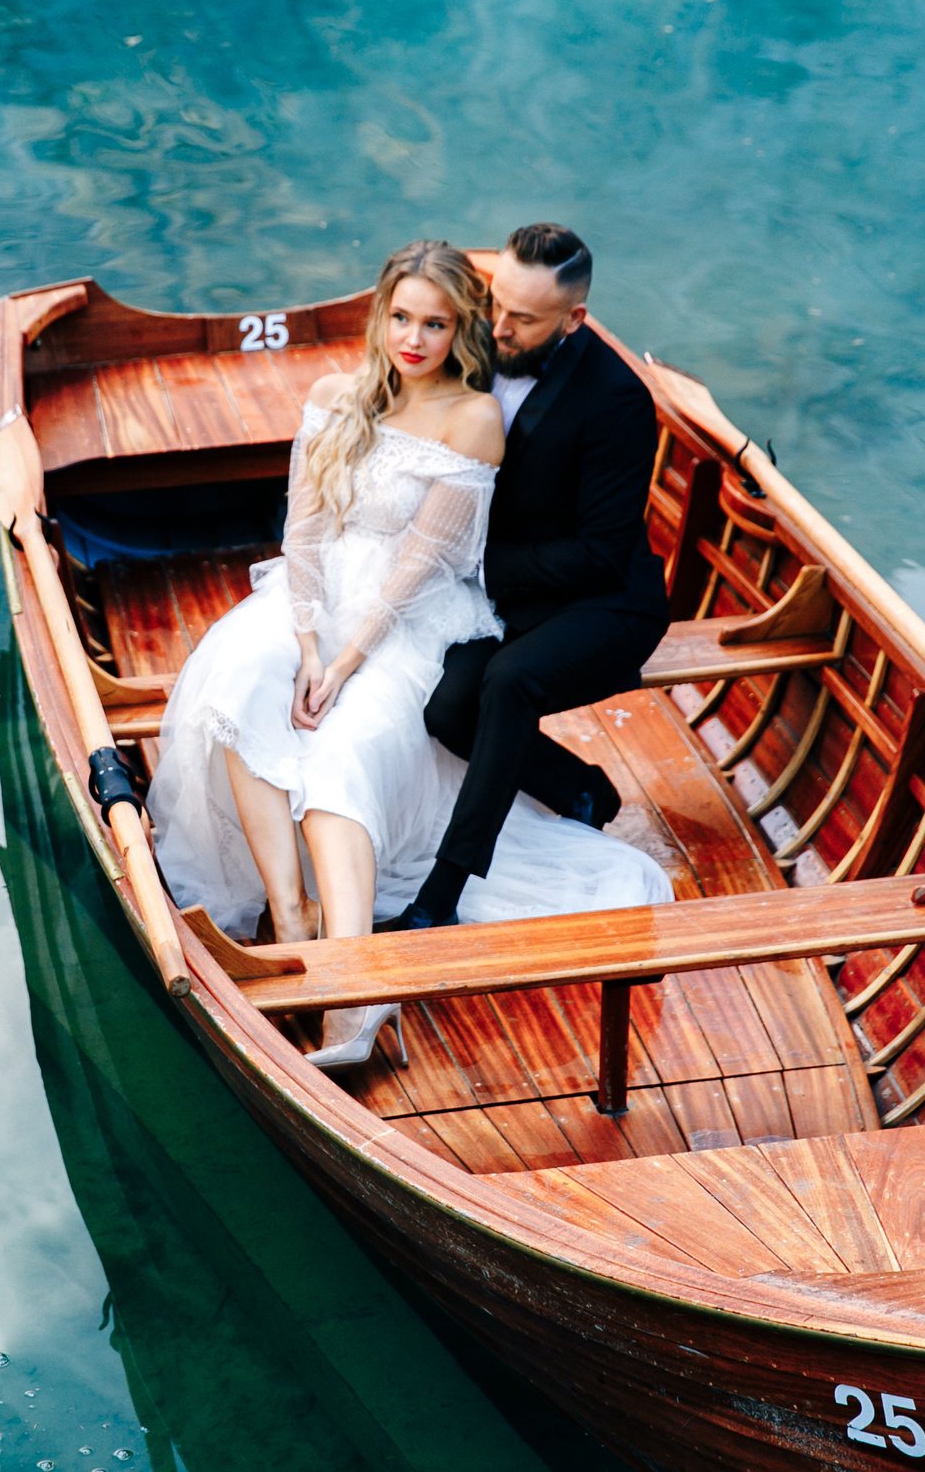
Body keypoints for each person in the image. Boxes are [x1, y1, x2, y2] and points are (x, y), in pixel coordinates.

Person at [148, 239, 667, 1068]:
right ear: (380, 316)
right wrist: (308, 639)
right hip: (317, 599)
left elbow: (424, 566)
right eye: (402, 318)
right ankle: (291, 916)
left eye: (437, 323)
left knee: (358, 747)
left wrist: (342, 663)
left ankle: (358, 987)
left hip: (426, 610)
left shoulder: (502, 411)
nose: (418, 337)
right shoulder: (336, 396)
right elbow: (303, 530)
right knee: (239, 681)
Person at [393, 223, 674, 931]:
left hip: (608, 602)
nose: (498, 327)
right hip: (515, 591)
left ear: (574, 319)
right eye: (496, 303)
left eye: (523, 318)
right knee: (446, 710)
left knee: (510, 681)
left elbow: (602, 553)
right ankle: (581, 789)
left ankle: (439, 897)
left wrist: (475, 566)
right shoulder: (483, 343)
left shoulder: (617, 399)